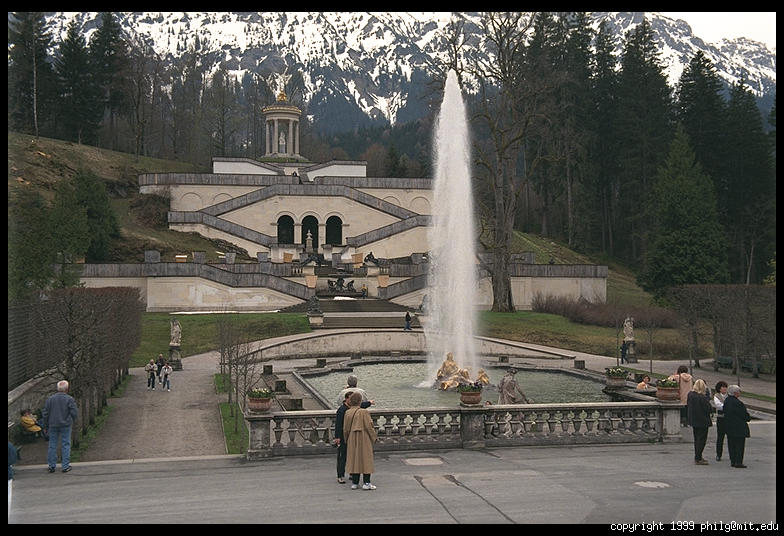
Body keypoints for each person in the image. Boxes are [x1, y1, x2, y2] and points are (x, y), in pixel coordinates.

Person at [334, 391, 371, 484]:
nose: (352, 400)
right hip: (343, 436)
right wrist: (337, 437)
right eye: (351, 398)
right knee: (342, 457)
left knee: (352, 456)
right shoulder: (342, 410)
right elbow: (338, 424)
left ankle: (352, 473)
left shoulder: (352, 408)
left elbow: (361, 404)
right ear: (346, 399)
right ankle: (340, 475)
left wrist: (370, 403)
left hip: (351, 436)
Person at [42, 380, 79, 473]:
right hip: (65, 425)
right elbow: (74, 412)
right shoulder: (69, 399)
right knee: (66, 444)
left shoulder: (50, 399)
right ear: (67, 389)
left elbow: (45, 414)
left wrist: (45, 426)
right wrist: (73, 420)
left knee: (52, 445)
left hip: (53, 424)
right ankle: (65, 466)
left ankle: (51, 466)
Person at [343, 392, 378, 490]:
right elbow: (369, 426)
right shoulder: (364, 412)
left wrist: (346, 439)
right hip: (363, 437)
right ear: (360, 401)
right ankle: (366, 482)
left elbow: (345, 429)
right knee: (366, 459)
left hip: (352, 437)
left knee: (354, 459)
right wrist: (374, 437)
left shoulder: (348, 412)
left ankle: (355, 482)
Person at [724, 385, 751, 468]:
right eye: (739, 391)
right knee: (739, 445)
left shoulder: (727, 401)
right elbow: (745, 415)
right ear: (735, 393)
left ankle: (733, 460)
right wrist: (748, 418)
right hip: (739, 427)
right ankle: (738, 461)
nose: (740, 393)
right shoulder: (738, 403)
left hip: (729, 426)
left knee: (731, 444)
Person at [687, 379, 713, 465]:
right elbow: (708, 408)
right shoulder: (702, 397)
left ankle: (697, 456)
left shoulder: (690, 395)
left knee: (696, 439)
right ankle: (698, 457)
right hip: (703, 420)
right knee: (702, 440)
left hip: (694, 419)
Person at [712, 381, 729, 461]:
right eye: (723, 387)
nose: (725, 389)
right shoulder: (717, 396)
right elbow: (718, 406)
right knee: (720, 437)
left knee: (730, 437)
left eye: (726, 387)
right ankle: (719, 454)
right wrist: (727, 406)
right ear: (719, 388)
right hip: (721, 418)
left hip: (728, 418)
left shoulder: (729, 396)